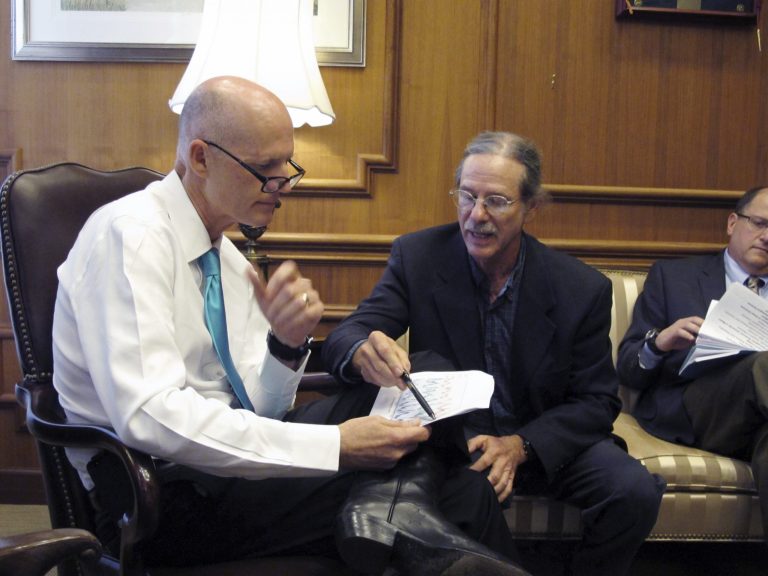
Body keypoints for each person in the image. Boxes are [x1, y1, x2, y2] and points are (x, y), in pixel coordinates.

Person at [51, 77, 528, 576]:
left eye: (287, 165)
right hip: (161, 495)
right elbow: (149, 417)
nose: (284, 186)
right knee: (463, 494)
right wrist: (337, 446)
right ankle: (390, 510)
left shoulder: (228, 261)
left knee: (423, 372)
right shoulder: (132, 237)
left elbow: (261, 410)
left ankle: (386, 510)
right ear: (200, 157)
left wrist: (285, 345)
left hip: (228, 464)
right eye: (265, 169)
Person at [322, 131, 666, 576]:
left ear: (531, 207)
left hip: (541, 437)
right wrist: (359, 351)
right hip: (456, 441)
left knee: (633, 490)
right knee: (465, 496)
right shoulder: (419, 256)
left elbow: (597, 402)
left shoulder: (579, 288)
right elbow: (348, 333)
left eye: (497, 201)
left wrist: (522, 446)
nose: (476, 216)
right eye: (466, 196)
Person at [617, 185, 768, 538]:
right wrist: (660, 342)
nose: (766, 236)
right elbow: (627, 368)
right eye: (760, 223)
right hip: (693, 407)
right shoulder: (675, 277)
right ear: (733, 223)